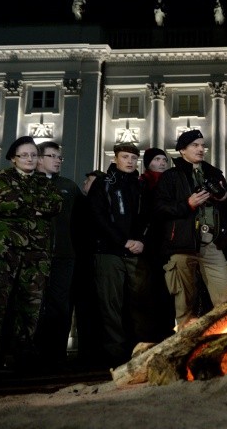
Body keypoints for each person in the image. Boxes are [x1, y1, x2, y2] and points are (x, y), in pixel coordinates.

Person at [154, 130, 227, 330]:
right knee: (184, 305)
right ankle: (185, 349)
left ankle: (225, 343)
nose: (200, 149)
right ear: (182, 150)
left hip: (212, 243)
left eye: (202, 145)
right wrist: (187, 204)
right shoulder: (171, 176)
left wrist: (223, 197)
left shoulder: (214, 173)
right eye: (195, 145)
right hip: (182, 245)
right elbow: (159, 208)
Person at [0, 136, 62, 371]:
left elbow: (55, 205)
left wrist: (23, 205)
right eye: (25, 155)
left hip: (36, 253)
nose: (30, 159)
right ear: (13, 158)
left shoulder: (45, 182)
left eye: (34, 155)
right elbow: (3, 204)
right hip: (4, 252)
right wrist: (33, 207)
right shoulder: (1, 178)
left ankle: (22, 353)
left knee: (31, 304)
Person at [88, 143, 150, 366]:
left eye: (134, 158)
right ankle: (114, 354)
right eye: (125, 157)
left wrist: (141, 241)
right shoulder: (104, 183)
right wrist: (123, 241)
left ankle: (139, 351)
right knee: (110, 304)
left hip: (136, 252)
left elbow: (147, 217)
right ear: (115, 158)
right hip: (109, 251)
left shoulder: (141, 185)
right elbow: (98, 216)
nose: (130, 161)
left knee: (139, 303)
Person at [33, 141, 83, 370]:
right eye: (51, 156)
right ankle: (29, 353)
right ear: (39, 158)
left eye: (59, 157)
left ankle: (56, 354)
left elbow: (81, 222)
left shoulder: (69, 187)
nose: (56, 160)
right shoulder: (28, 183)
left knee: (60, 305)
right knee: (33, 304)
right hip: (33, 255)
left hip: (64, 254)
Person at [138, 148, 174, 342]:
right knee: (151, 289)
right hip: (149, 244)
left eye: (164, 160)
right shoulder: (143, 183)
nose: (162, 163)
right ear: (148, 162)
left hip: (168, 242)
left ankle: (166, 331)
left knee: (168, 289)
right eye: (157, 159)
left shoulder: (170, 183)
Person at [70, 169, 106, 368]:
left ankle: (91, 353)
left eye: (90, 181)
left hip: (94, 261)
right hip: (81, 262)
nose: (86, 184)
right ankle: (85, 352)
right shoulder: (80, 202)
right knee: (84, 308)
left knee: (94, 308)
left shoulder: (97, 205)